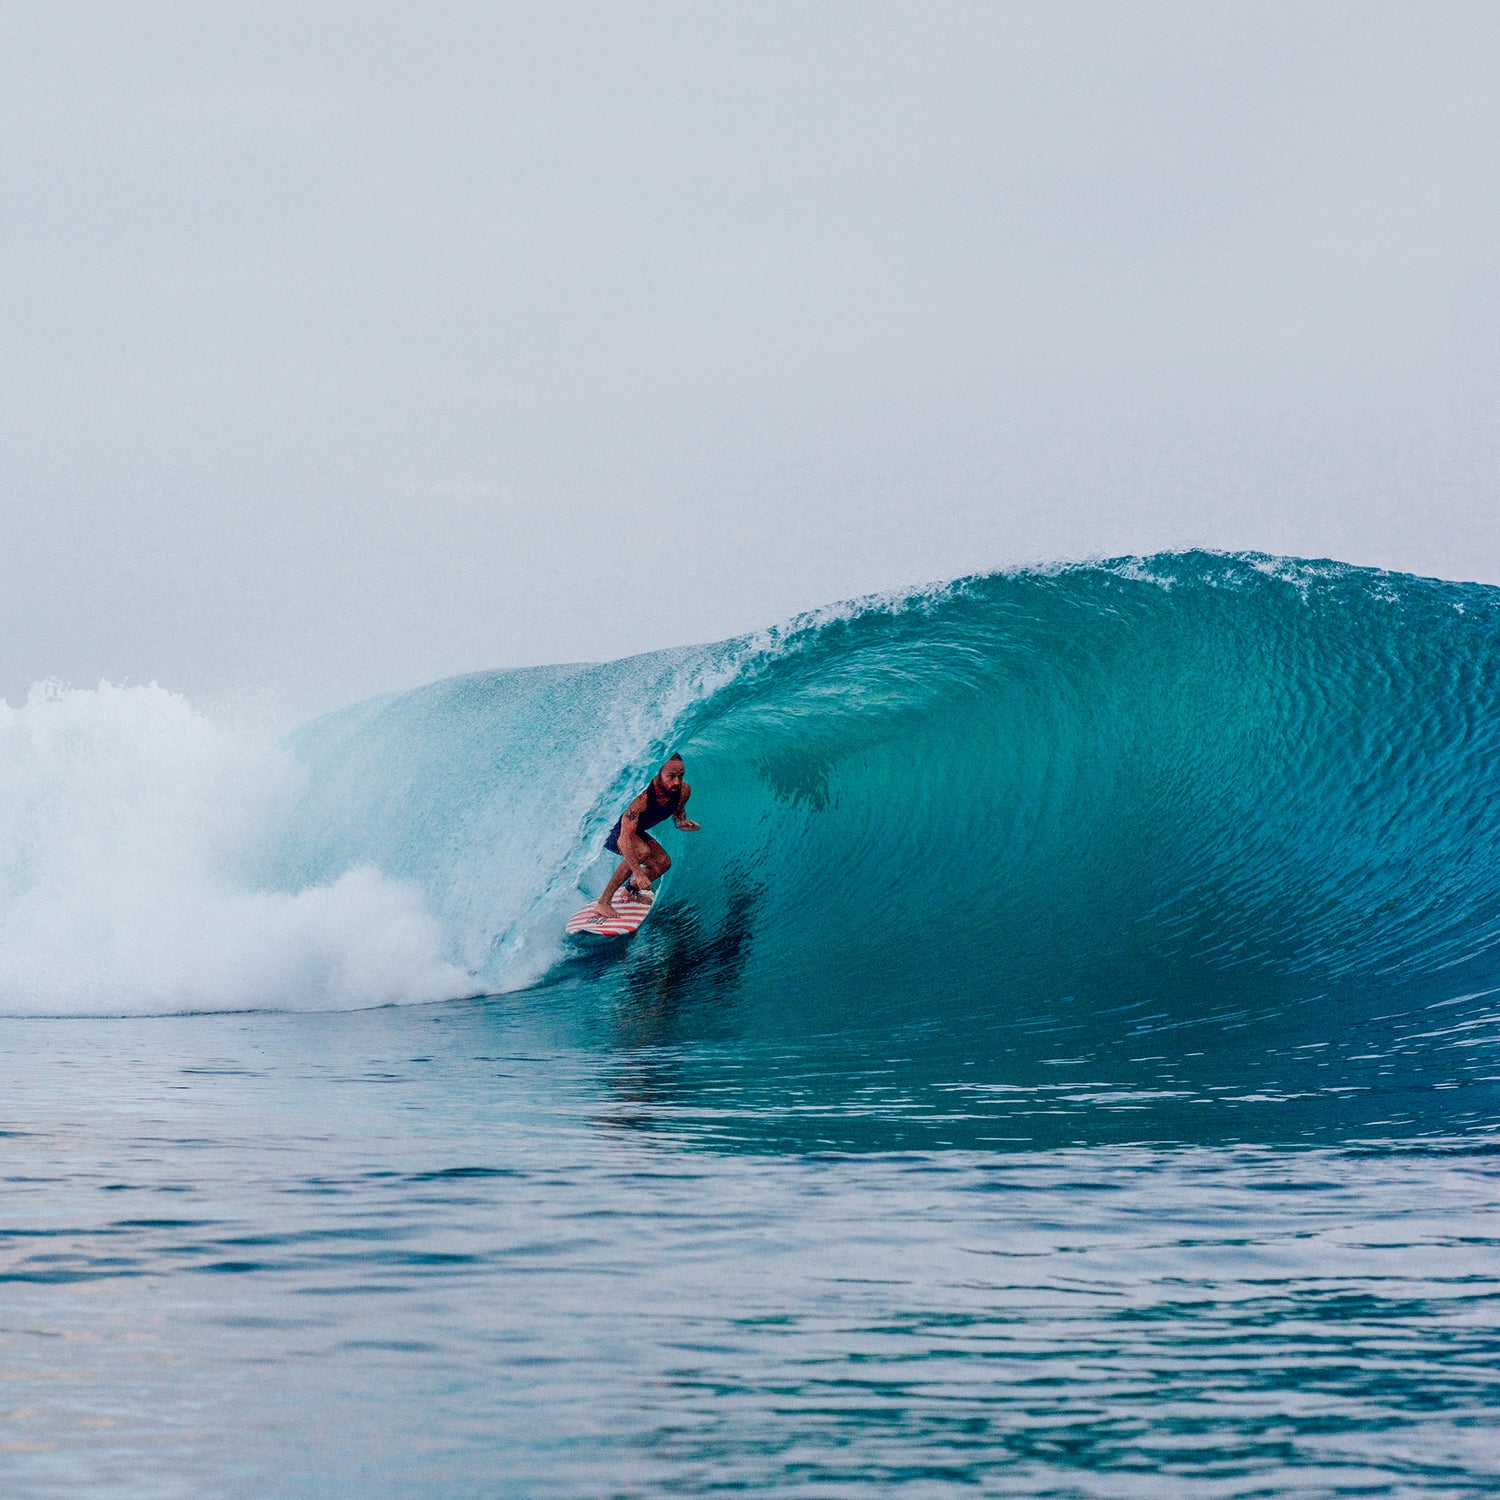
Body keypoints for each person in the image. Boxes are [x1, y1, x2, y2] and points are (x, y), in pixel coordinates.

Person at [595, 754, 701, 918]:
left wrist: (682, 823)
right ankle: (603, 902)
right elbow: (624, 839)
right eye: (671, 776)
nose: (677, 782)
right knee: (641, 851)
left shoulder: (683, 791)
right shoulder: (643, 797)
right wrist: (638, 872)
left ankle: (631, 892)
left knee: (663, 863)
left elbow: (678, 815)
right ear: (659, 773)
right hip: (609, 829)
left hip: (633, 831)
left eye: (681, 776)